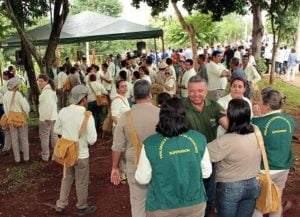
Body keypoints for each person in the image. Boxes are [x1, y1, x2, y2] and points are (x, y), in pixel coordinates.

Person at [135, 97, 212, 217]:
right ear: (184, 115)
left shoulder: (150, 143)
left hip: (161, 206)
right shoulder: (199, 138)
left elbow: (142, 178)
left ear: (162, 116)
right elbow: (207, 173)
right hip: (194, 203)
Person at [111, 80, 160, 217]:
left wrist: (115, 168)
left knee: (138, 200)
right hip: (159, 160)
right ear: (150, 95)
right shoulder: (161, 114)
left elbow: (117, 146)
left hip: (134, 162)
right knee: (159, 198)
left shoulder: (125, 117)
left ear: (133, 96)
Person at [208, 99, 261, 217]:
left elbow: (205, 155)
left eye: (227, 113)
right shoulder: (256, 132)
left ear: (232, 117)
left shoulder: (226, 141)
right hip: (253, 185)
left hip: (230, 187)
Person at [184, 75, 228, 217]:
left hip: (209, 156)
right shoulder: (180, 107)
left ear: (207, 90)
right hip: (187, 158)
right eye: (192, 91)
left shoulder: (214, 106)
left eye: (200, 90)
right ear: (187, 90)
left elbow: (228, 125)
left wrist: (234, 114)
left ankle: (207, 213)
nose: (196, 94)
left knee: (210, 192)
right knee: (190, 191)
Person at [252, 88, 297, 217]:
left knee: (258, 205)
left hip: (263, 170)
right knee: (276, 200)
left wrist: (256, 116)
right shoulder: (289, 120)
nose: (258, 104)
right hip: (283, 168)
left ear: (266, 106)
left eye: (260, 101)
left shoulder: (256, 123)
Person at [54, 85, 97, 216]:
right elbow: (92, 140)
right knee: (81, 181)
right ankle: (82, 207)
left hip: (67, 151)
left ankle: (61, 204)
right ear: (84, 99)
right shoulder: (87, 115)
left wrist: (68, 135)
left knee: (66, 178)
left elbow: (57, 130)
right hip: (81, 154)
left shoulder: (63, 111)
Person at [3, 78, 30, 163]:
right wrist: (26, 114)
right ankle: (26, 158)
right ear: (15, 86)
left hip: (11, 120)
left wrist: (9, 117)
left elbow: (5, 109)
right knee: (24, 138)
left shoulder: (5, 95)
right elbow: (26, 107)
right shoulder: (18, 94)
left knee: (14, 139)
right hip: (21, 119)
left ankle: (17, 159)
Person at [37, 74, 58, 162]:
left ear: (46, 81)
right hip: (53, 117)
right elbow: (55, 101)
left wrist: (48, 117)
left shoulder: (46, 91)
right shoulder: (51, 90)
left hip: (46, 118)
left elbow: (51, 105)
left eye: (42, 81)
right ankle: (57, 154)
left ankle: (45, 156)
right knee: (54, 136)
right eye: (39, 81)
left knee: (45, 137)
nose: (40, 83)